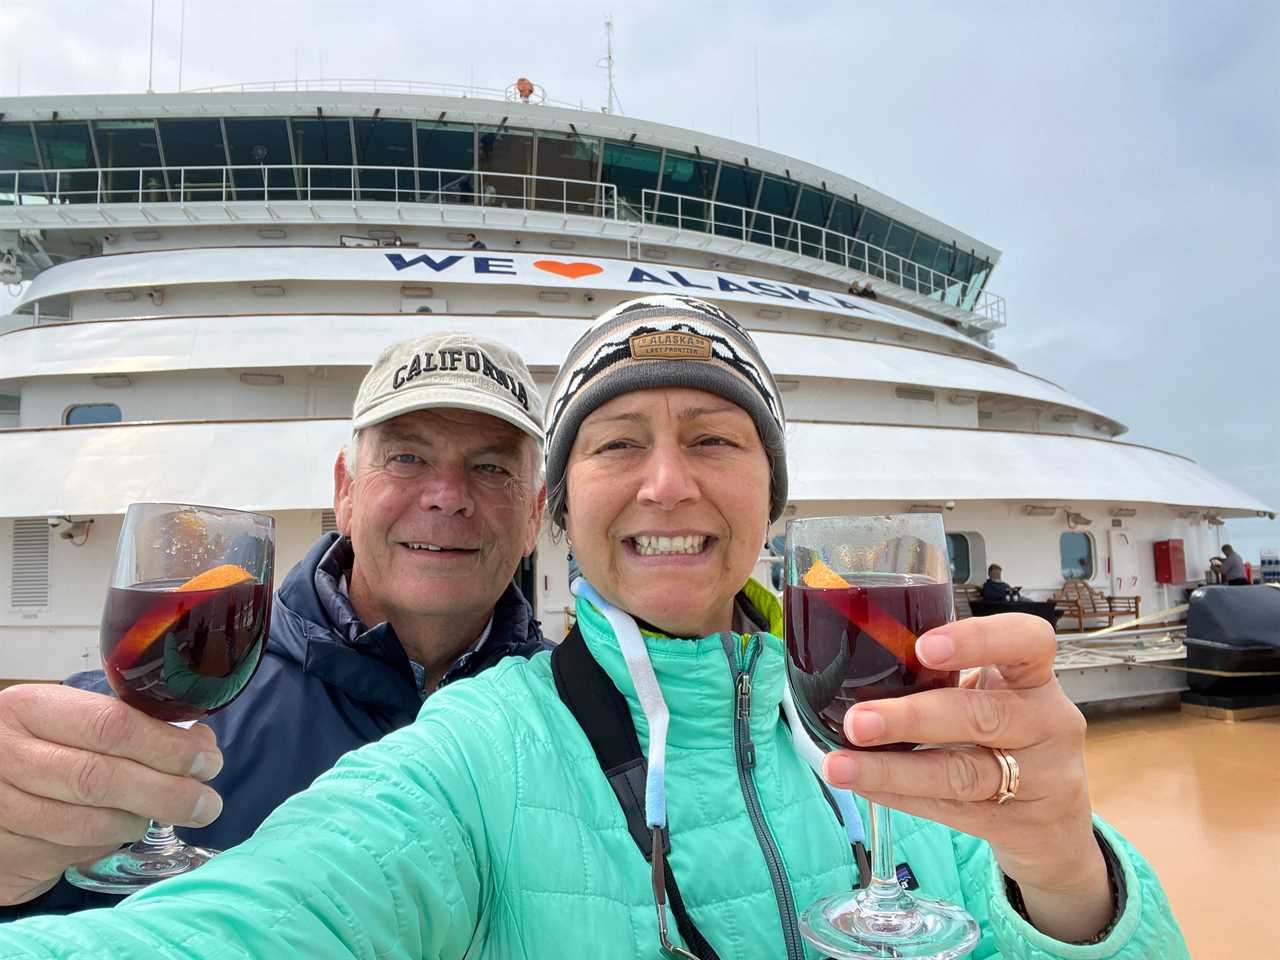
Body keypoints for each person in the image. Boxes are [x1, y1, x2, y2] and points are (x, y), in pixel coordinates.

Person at [0, 296, 1187, 958]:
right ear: (570, 510)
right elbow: (243, 925)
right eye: (618, 444)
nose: (667, 484)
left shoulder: (910, 731)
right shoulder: (479, 741)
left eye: (715, 440)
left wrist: (1062, 872)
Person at [0, 332, 548, 917]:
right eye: (407, 458)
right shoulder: (141, 715)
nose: (447, 496)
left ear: (535, 515)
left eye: (490, 467)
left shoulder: (598, 719)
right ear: (346, 491)